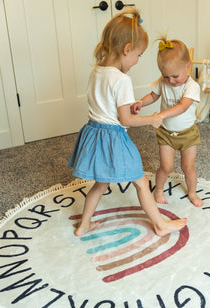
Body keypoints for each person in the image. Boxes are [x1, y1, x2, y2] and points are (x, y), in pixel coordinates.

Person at [68, 10, 187, 237]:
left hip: (93, 134)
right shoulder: (122, 79)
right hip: (114, 139)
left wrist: (130, 104)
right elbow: (125, 120)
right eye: (138, 55)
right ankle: (160, 225)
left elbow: (107, 105)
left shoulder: (97, 71)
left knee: (100, 184)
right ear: (127, 49)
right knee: (141, 182)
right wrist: (152, 119)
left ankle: (83, 226)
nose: (136, 61)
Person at [131, 36, 203, 207]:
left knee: (188, 167)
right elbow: (153, 96)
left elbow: (183, 106)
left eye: (175, 76)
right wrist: (141, 101)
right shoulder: (163, 83)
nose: (171, 81)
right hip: (166, 134)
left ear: (188, 66)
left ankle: (192, 192)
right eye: (165, 76)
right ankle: (159, 189)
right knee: (166, 167)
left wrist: (161, 115)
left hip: (188, 135)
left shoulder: (192, 87)